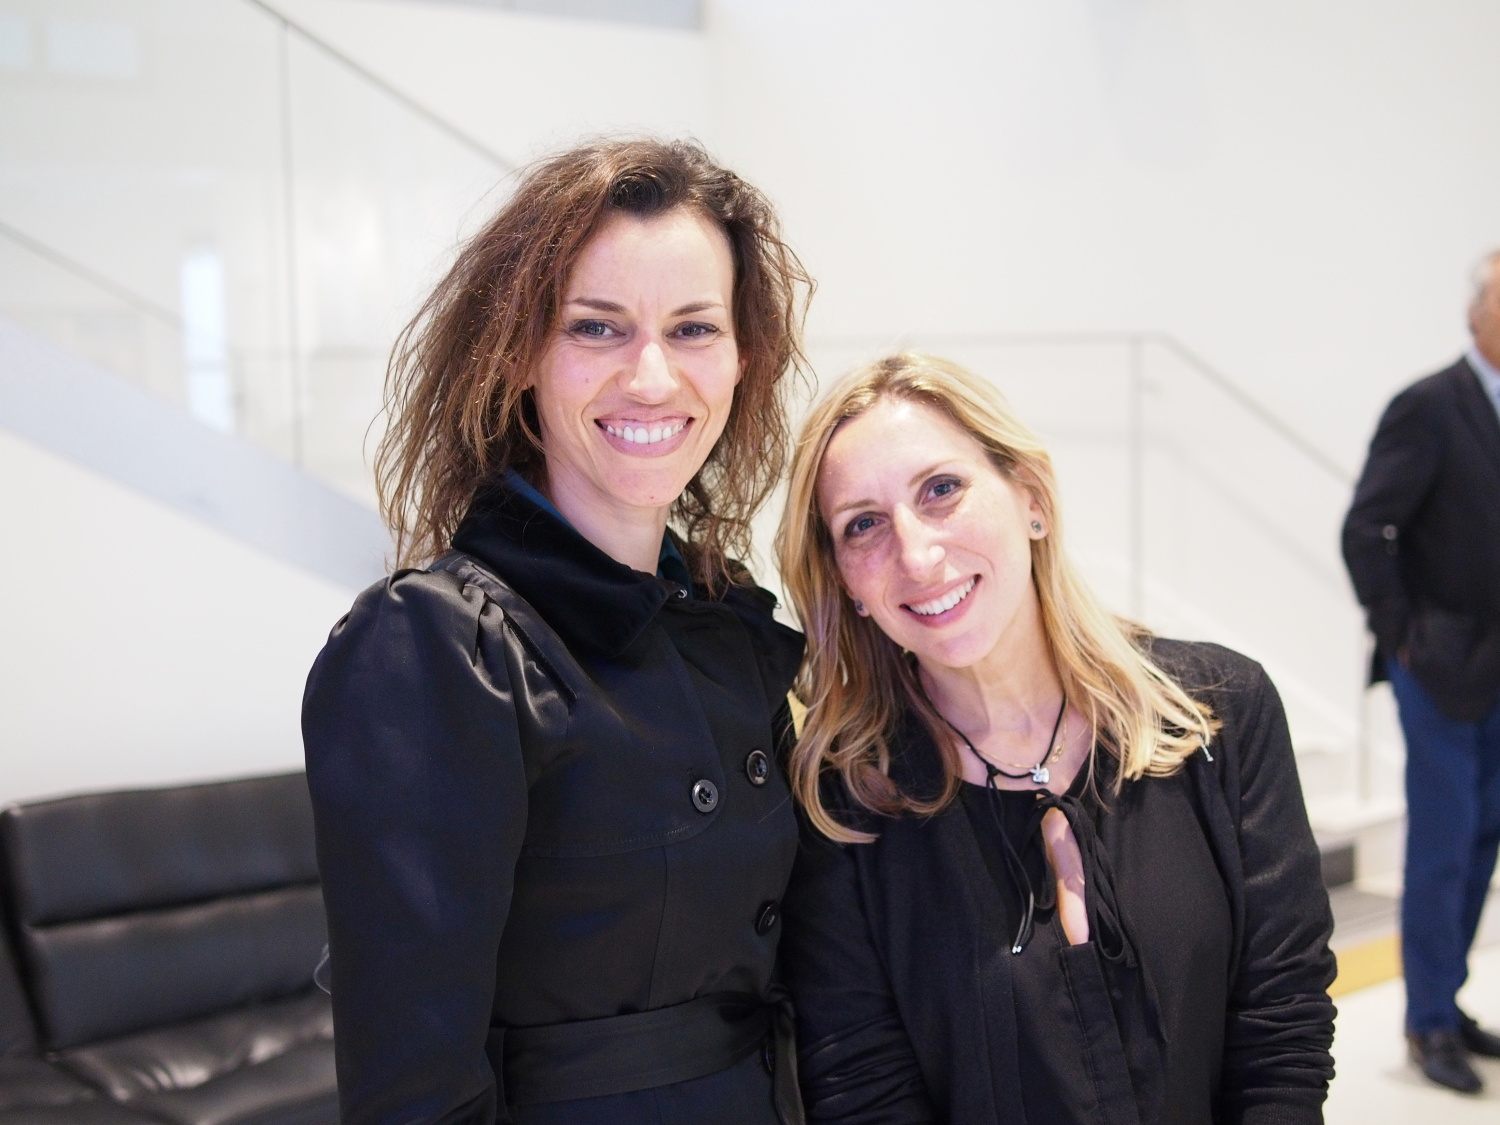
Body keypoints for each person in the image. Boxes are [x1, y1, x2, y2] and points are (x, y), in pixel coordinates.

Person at [302, 137, 812, 1124]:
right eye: (596, 327)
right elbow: (413, 1090)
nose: (652, 377)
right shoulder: (441, 645)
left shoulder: (726, 623)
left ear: (741, 358)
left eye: (694, 328)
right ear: (519, 354)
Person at [774, 353, 1337, 1123]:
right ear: (846, 582)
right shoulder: (842, 806)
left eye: (941, 489)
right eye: (863, 524)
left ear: (1031, 498)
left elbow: (1283, 1024)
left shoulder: (1223, 713)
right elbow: (864, 1088)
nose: (916, 554)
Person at [1341, 250, 1500, 1095]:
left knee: (1481, 840)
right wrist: (1403, 635)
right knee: (1443, 841)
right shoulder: (1430, 405)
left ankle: (1448, 997)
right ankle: (1427, 1019)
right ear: (1477, 313)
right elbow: (1367, 529)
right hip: (1439, 667)